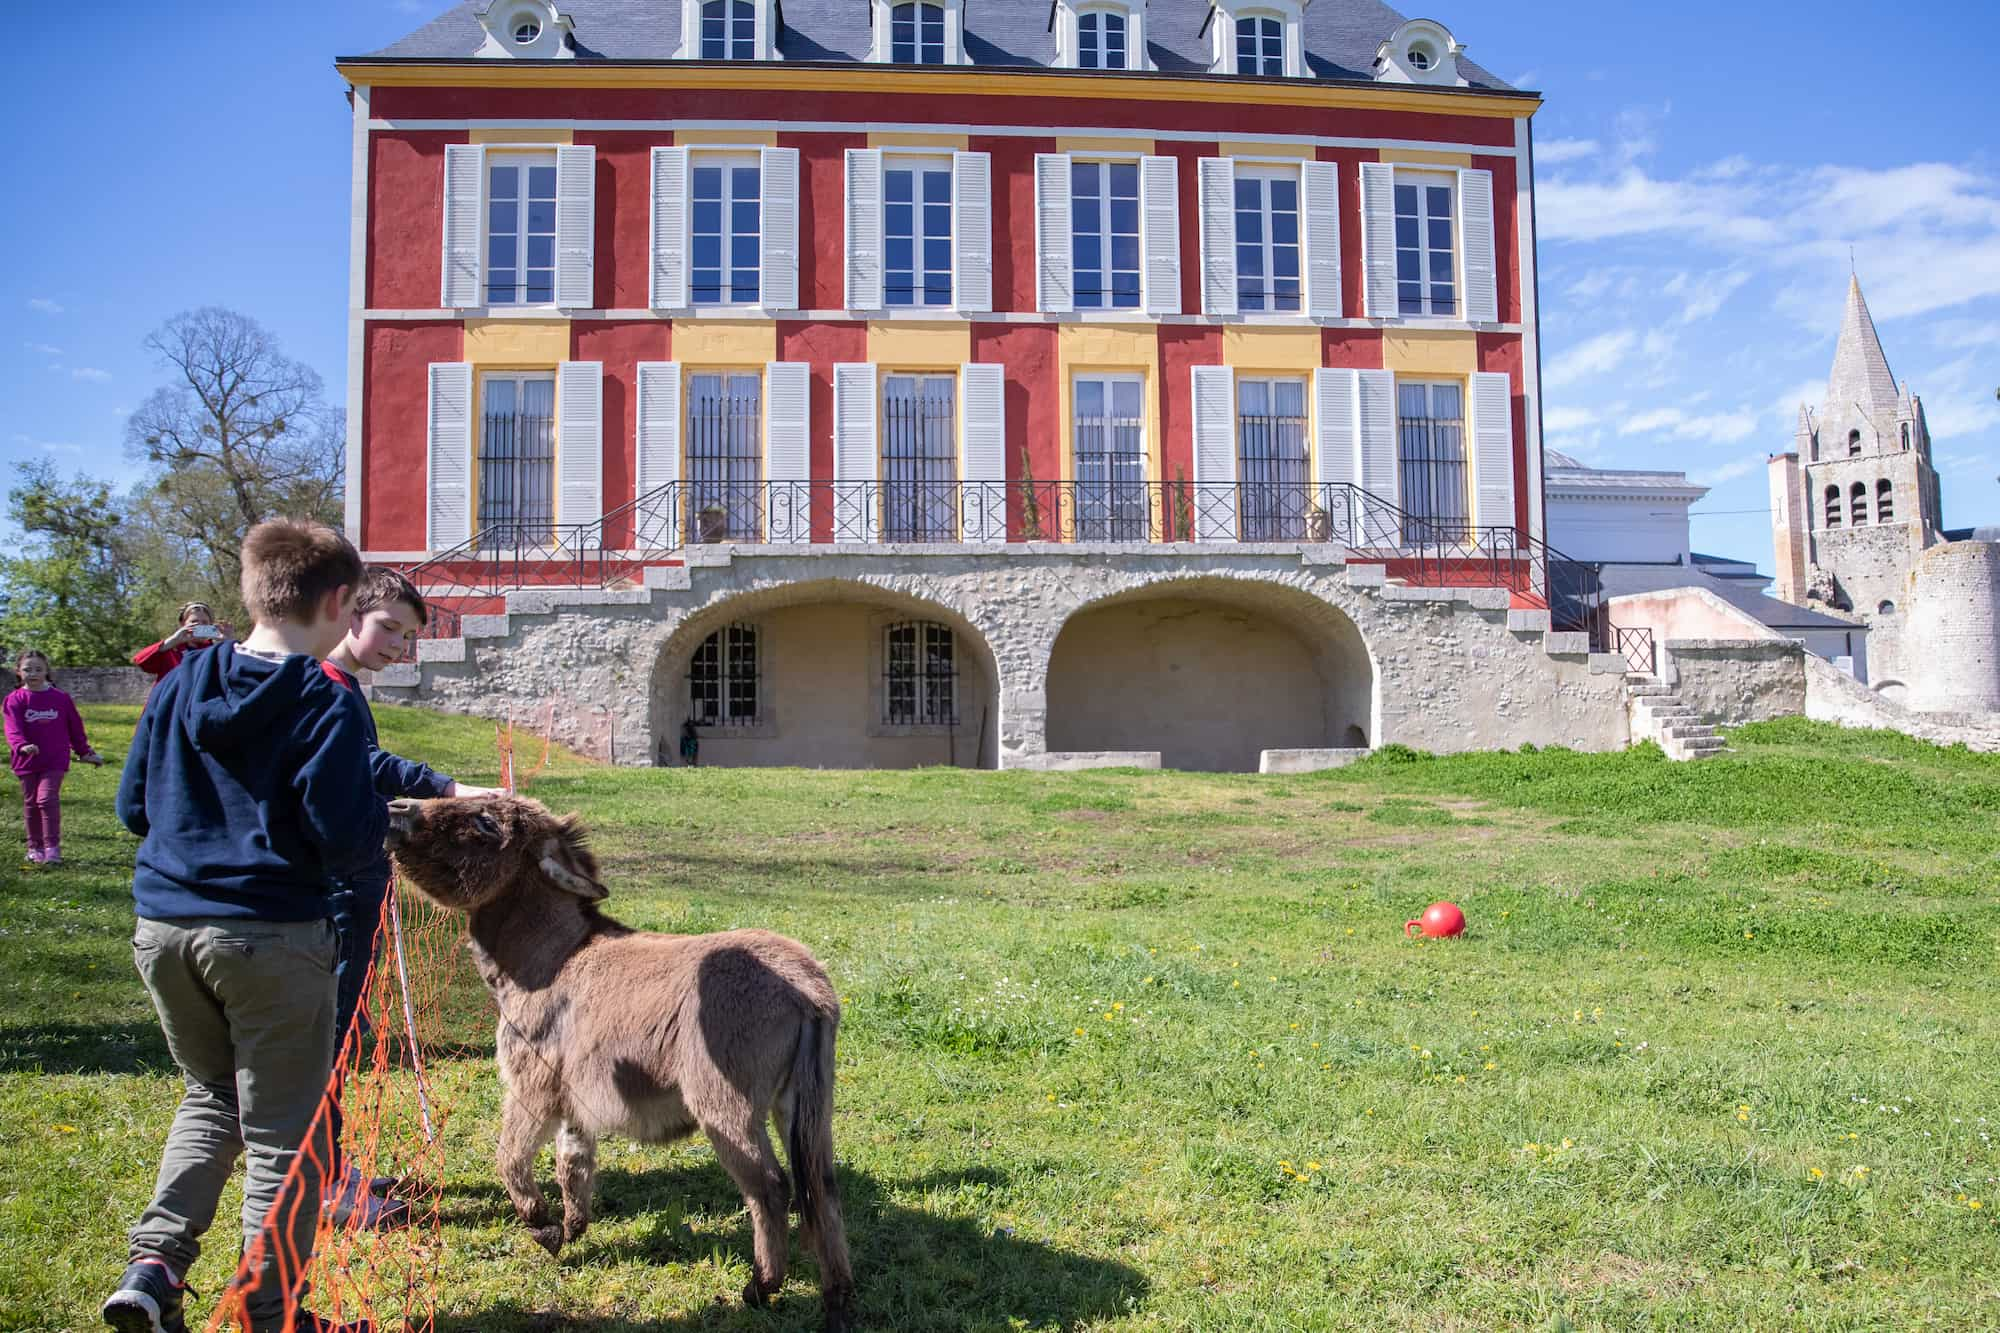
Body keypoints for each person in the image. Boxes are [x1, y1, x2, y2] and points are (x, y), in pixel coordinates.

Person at [103, 519, 385, 1333]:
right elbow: (341, 833)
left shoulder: (180, 684)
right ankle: (273, 1313)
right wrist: (379, 823)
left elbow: (131, 807)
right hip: (270, 935)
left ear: (252, 592)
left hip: (162, 930)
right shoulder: (324, 699)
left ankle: (153, 1267)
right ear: (338, 601)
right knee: (284, 1139)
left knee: (211, 1094)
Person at [315, 566, 501, 1231]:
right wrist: (445, 789)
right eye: (389, 628)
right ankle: (325, 1185)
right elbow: (363, 767)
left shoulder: (344, 690)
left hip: (358, 879)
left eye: (410, 635)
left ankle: (331, 1167)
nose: (399, 645)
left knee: (343, 1033)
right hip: (335, 890)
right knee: (329, 1039)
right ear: (347, 615)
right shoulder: (325, 689)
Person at [4, 649, 104, 866]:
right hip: (26, 761)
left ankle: (52, 848)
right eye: (27, 669)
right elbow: (12, 729)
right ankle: (34, 848)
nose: (33, 673)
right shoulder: (15, 700)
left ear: (47, 671)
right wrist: (22, 746)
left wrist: (85, 752)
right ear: (18, 672)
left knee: (46, 799)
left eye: (38, 669)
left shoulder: (61, 699)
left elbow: (75, 729)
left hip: (55, 760)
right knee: (31, 803)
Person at [130, 603, 236, 685]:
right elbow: (142, 662)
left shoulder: (215, 651)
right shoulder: (171, 649)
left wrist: (229, 643)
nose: (199, 626)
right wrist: (172, 640)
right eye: (194, 622)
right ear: (183, 624)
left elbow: (234, 675)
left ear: (211, 626)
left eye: (204, 623)